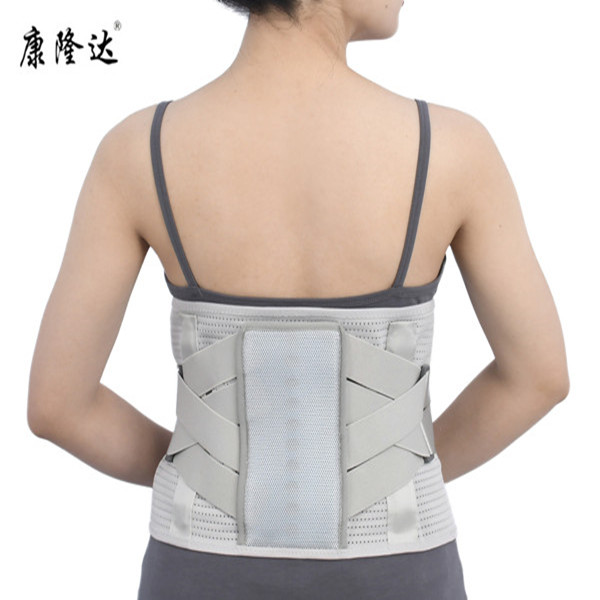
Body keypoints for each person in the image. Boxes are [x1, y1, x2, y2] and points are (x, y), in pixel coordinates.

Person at [26, 0, 570, 598]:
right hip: (400, 570)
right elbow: (538, 376)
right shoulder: (452, 148)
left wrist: (203, 462)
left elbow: (58, 406)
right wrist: (400, 466)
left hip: (197, 569)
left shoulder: (139, 149)